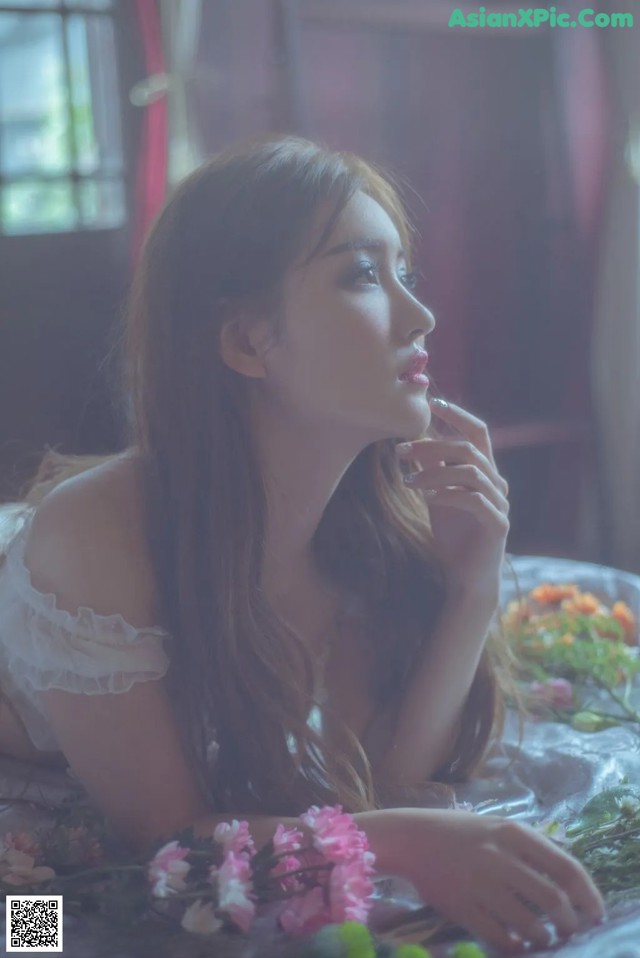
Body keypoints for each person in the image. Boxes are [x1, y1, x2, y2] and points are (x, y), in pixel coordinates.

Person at [0, 133, 604, 952]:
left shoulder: (363, 530)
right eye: (362, 274)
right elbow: (169, 839)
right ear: (249, 342)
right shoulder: (94, 541)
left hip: (122, 826)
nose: (421, 316)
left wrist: (471, 584)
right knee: (44, 935)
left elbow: (383, 779)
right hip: (49, 834)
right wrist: (409, 843)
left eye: (406, 274)